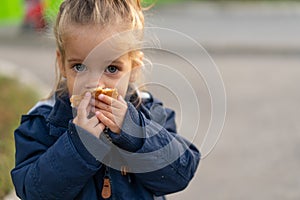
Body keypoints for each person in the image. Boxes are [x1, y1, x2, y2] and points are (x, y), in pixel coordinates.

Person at [11, 0, 200, 199]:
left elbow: (181, 173)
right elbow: (32, 191)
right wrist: (79, 146)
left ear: (134, 67)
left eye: (112, 69)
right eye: (79, 67)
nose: (93, 83)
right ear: (61, 63)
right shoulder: (43, 121)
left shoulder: (150, 113)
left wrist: (134, 132)